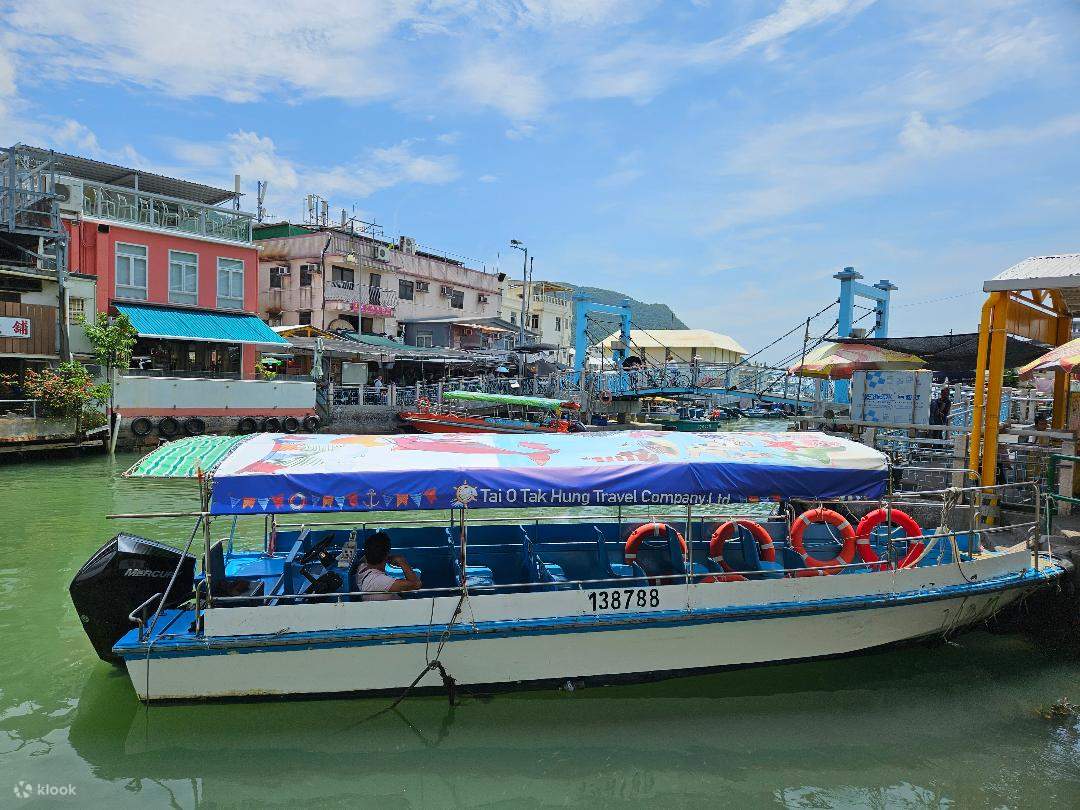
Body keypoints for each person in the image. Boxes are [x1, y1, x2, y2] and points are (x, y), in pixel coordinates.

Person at [353, 531, 422, 601]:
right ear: (386, 555)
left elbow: (369, 554)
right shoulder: (380, 581)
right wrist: (401, 561)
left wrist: (386, 558)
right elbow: (416, 584)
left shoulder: (362, 567)